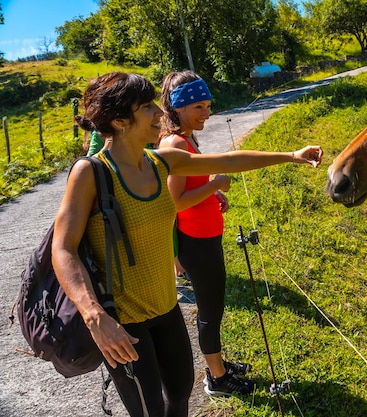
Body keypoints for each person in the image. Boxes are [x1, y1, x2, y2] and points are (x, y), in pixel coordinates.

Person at [51, 71, 323, 417]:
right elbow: (63, 248)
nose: (159, 113)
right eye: (146, 107)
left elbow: (229, 162)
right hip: (123, 322)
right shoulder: (91, 173)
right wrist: (93, 316)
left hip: (166, 309)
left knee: (179, 395)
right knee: (150, 411)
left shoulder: (160, 162)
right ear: (120, 121)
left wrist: (291, 155)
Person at [158, 70, 253, 396]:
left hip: (205, 238)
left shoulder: (186, 139)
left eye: (208, 105)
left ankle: (220, 366)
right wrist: (215, 183)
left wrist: (212, 194)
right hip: (195, 244)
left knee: (215, 308)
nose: (207, 113)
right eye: (199, 106)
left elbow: (190, 187)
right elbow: (175, 202)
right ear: (178, 106)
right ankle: (217, 379)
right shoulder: (175, 143)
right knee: (211, 313)